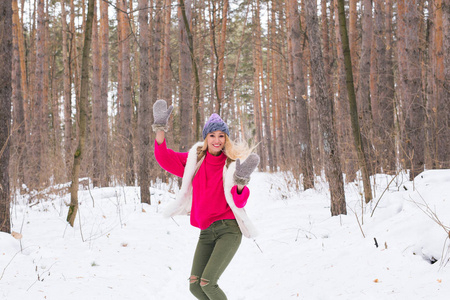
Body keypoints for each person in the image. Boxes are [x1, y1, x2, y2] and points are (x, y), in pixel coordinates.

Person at [152, 99, 260, 300]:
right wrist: (160, 128)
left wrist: (241, 183)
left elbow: (240, 201)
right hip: (206, 232)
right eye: (212, 135)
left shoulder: (231, 164)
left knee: (208, 283)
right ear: (206, 137)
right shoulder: (195, 160)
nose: (217, 140)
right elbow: (164, 158)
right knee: (195, 286)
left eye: (221, 136)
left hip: (228, 230)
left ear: (226, 138)